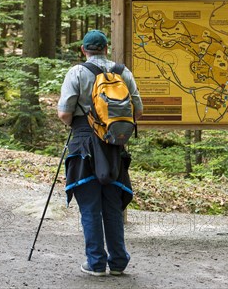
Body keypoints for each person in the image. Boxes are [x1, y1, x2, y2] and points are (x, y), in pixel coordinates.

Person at [57, 30, 143, 277]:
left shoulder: (77, 72)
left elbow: (64, 114)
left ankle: (95, 263)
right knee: (112, 206)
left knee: (91, 206)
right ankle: (118, 262)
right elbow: (138, 111)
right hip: (115, 145)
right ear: (106, 48)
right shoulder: (123, 73)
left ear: (84, 50)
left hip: (84, 144)